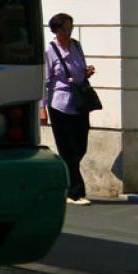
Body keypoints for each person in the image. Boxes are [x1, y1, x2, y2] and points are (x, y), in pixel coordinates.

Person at [44, 13, 96, 205]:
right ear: (57, 30)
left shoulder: (76, 45)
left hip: (79, 102)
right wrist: (42, 107)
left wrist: (86, 72)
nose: (70, 31)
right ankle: (75, 192)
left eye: (71, 27)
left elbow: (79, 71)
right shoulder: (50, 50)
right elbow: (45, 81)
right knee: (68, 149)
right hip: (60, 104)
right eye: (66, 28)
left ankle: (64, 182)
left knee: (81, 147)